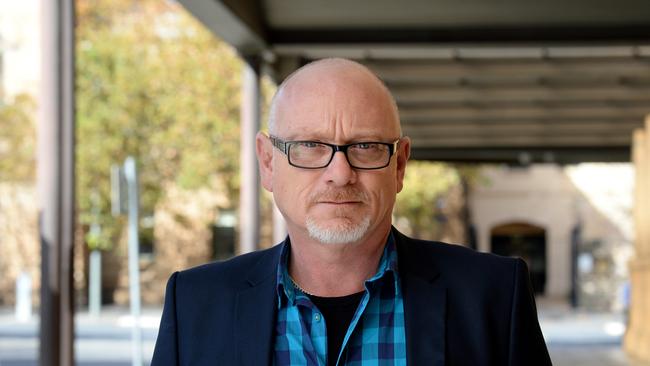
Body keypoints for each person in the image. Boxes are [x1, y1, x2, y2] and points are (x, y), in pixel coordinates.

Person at [151, 58, 551, 365]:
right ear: (269, 163)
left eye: (365, 147)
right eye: (310, 145)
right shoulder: (196, 305)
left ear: (399, 165)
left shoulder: (494, 296)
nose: (339, 174)